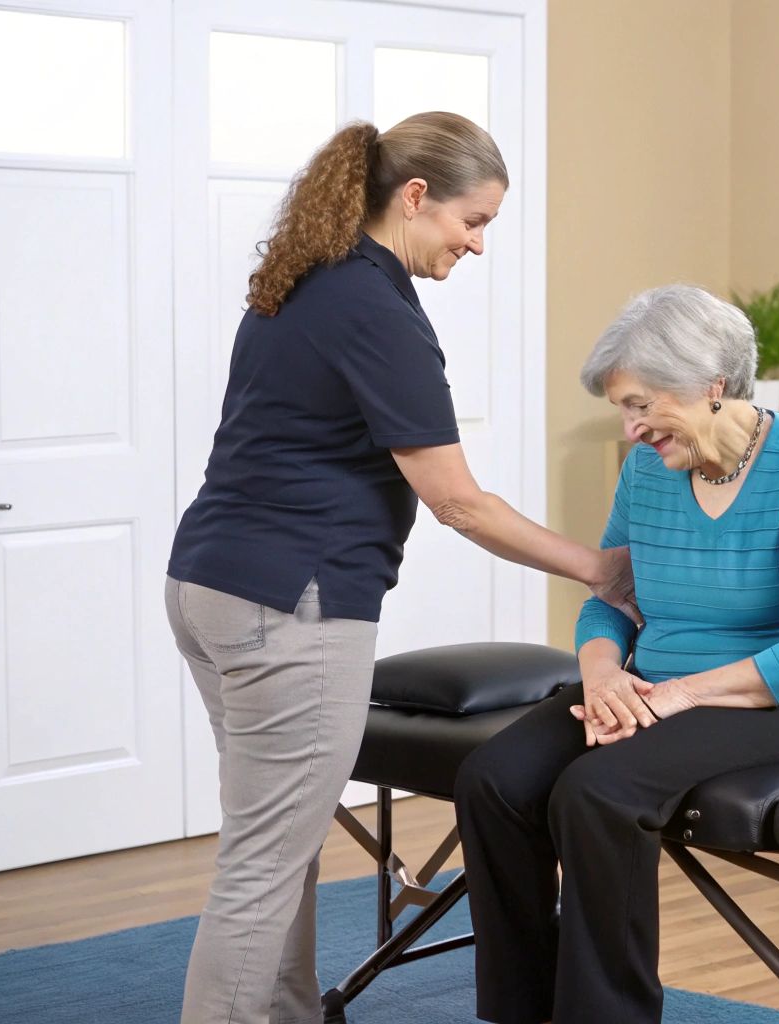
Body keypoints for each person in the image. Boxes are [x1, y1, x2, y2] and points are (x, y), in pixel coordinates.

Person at [163, 111, 637, 1024]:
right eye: (475, 220)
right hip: (291, 603)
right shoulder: (374, 309)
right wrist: (599, 570)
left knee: (276, 845)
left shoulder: (310, 279)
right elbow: (458, 500)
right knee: (266, 859)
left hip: (212, 586)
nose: (480, 243)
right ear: (415, 197)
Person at [453, 284, 779, 1023]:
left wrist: (676, 696)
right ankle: (523, 1009)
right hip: (653, 686)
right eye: (621, 407)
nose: (632, 425)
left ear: (713, 385)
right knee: (493, 778)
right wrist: (605, 674)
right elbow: (610, 594)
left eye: (642, 404)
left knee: (596, 790)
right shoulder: (648, 471)